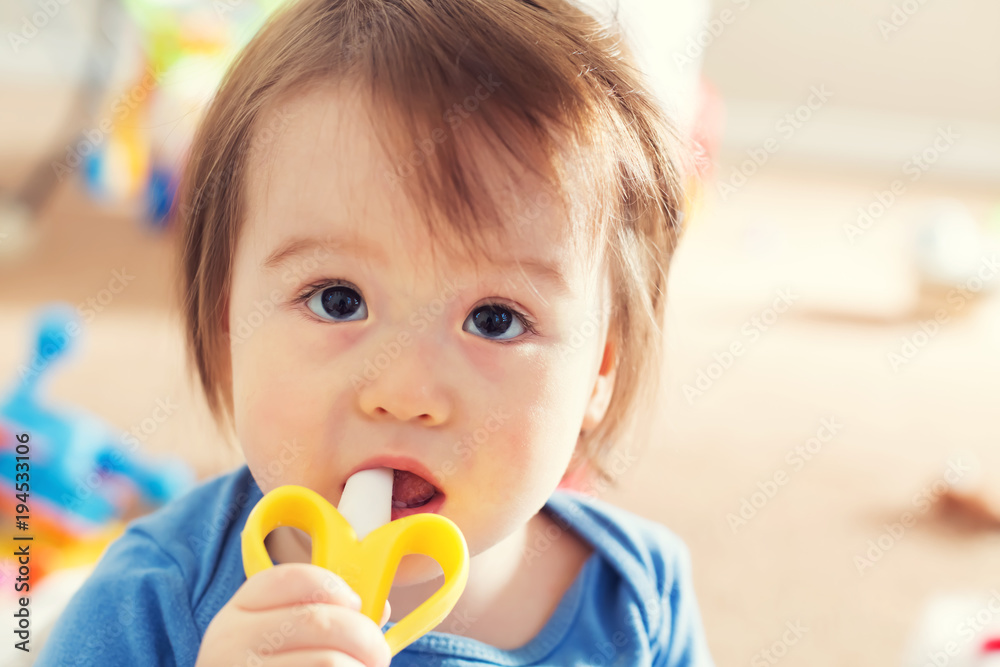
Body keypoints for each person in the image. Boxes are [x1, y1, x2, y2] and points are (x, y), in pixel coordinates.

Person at [38, 0, 713, 664]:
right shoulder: (148, 600)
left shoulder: (639, 599)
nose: (404, 390)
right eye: (338, 300)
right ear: (225, 328)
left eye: (495, 319)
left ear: (600, 368)